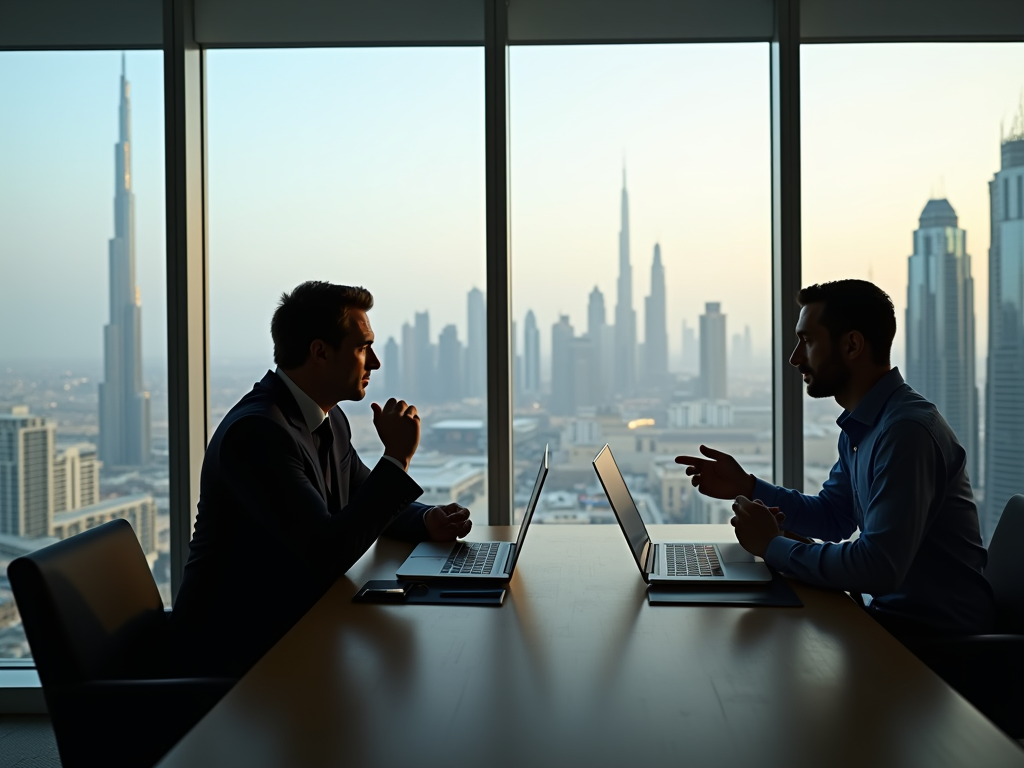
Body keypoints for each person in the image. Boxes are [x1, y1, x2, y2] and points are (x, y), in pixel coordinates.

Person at [170, 281, 473, 678]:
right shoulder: (258, 434)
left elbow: (361, 493)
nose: (376, 362)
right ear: (320, 352)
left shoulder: (328, 418)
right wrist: (397, 456)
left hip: (292, 630)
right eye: (363, 347)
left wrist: (424, 518)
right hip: (235, 659)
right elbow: (327, 553)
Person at [677, 279, 993, 638]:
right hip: (896, 624)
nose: (796, 357)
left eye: (808, 341)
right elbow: (834, 516)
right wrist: (749, 487)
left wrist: (772, 546)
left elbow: (877, 566)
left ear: (852, 345)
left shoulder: (906, 432)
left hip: (940, 648)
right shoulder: (864, 425)